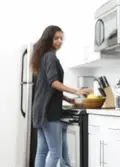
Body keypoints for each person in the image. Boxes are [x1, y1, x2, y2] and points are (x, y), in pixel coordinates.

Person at [30, 25, 92, 167]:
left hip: (40, 109)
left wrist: (67, 99)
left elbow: (48, 88)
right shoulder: (50, 57)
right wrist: (76, 92)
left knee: (42, 151)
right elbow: (53, 83)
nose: (59, 41)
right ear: (49, 39)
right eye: (56, 38)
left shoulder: (44, 57)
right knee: (55, 152)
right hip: (49, 110)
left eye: (61, 39)